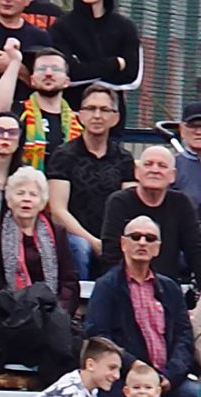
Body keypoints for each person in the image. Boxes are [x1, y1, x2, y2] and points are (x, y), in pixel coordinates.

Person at [84, 216, 198, 397]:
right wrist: (136, 367)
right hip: (124, 379)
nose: (142, 242)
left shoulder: (170, 288)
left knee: (193, 396)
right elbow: (98, 335)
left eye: (150, 238)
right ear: (123, 243)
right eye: (135, 237)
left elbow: (184, 336)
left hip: (167, 378)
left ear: (157, 248)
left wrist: (169, 377)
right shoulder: (107, 287)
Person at [0, 166, 79, 380]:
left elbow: (69, 280)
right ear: (9, 198)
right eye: (20, 193)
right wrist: (26, 307)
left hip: (50, 313)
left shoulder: (56, 231)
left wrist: (59, 308)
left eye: (33, 194)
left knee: (54, 323)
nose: (26, 199)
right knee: (53, 330)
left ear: (42, 201)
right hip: (12, 315)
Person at [46, 82, 132, 280]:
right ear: (80, 115)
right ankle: (76, 308)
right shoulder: (64, 155)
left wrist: (111, 242)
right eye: (91, 109)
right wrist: (93, 242)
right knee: (80, 247)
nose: (97, 115)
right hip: (75, 238)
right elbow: (58, 212)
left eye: (104, 110)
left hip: (114, 238)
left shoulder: (124, 159)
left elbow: (130, 209)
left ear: (115, 118)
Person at [99, 147, 201, 282]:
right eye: (148, 164)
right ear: (137, 172)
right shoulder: (119, 202)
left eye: (162, 166)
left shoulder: (181, 203)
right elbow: (111, 254)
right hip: (124, 285)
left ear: (173, 176)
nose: (155, 170)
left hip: (167, 288)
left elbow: (195, 250)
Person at [49, 0, 140, 115]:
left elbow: (131, 76)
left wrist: (85, 69)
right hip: (72, 112)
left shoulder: (125, 26)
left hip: (112, 114)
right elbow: (68, 73)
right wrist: (115, 64)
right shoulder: (61, 26)